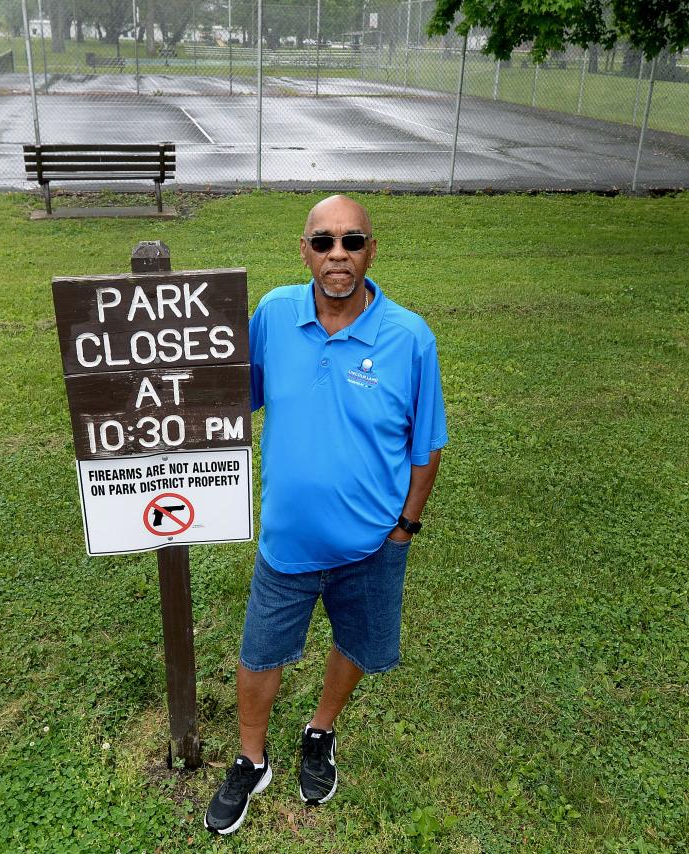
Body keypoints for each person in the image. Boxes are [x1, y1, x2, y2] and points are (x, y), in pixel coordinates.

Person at [204, 195, 447, 835]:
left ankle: (320, 730)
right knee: (260, 654)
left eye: (352, 240)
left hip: (371, 547)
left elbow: (427, 446)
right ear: (304, 250)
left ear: (372, 250)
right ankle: (251, 760)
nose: (337, 254)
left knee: (357, 645)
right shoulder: (275, 314)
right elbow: (235, 399)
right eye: (323, 242)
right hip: (285, 544)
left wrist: (405, 529)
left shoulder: (409, 338)